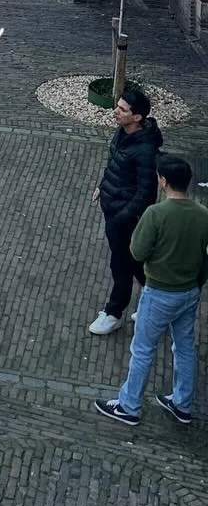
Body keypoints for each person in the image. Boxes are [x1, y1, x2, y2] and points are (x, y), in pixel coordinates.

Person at [95, 153, 208, 425]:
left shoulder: (156, 214)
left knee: (143, 348)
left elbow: (137, 250)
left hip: (159, 291)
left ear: (163, 181)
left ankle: (129, 405)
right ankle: (182, 402)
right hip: (189, 291)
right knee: (183, 347)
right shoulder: (203, 215)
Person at [88, 82, 164, 335]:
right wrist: (102, 185)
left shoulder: (144, 150)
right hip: (115, 211)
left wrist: (121, 217)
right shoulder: (122, 133)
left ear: (137, 117)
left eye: (122, 109)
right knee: (134, 264)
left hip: (124, 218)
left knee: (121, 264)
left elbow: (146, 193)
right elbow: (115, 163)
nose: (116, 111)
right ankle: (154, 302)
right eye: (117, 107)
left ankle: (114, 313)